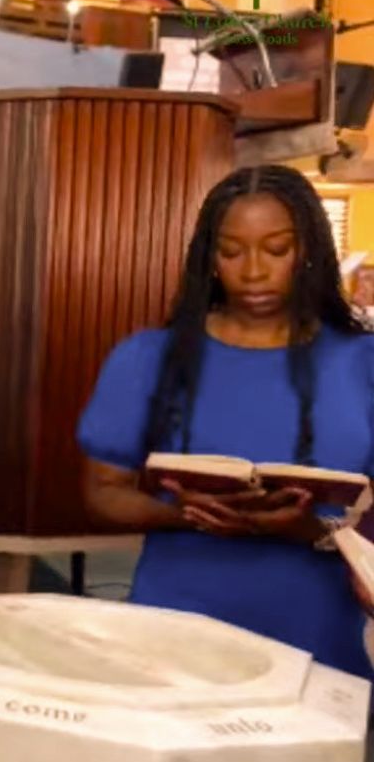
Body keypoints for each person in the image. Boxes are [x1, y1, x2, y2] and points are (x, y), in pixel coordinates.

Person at [77, 164, 374, 682]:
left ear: (308, 251)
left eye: (276, 250)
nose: (253, 271)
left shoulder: (362, 362)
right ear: (207, 258)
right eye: (231, 252)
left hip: (317, 626)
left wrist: (314, 531)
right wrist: (187, 514)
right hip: (176, 623)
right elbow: (103, 490)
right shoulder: (148, 358)